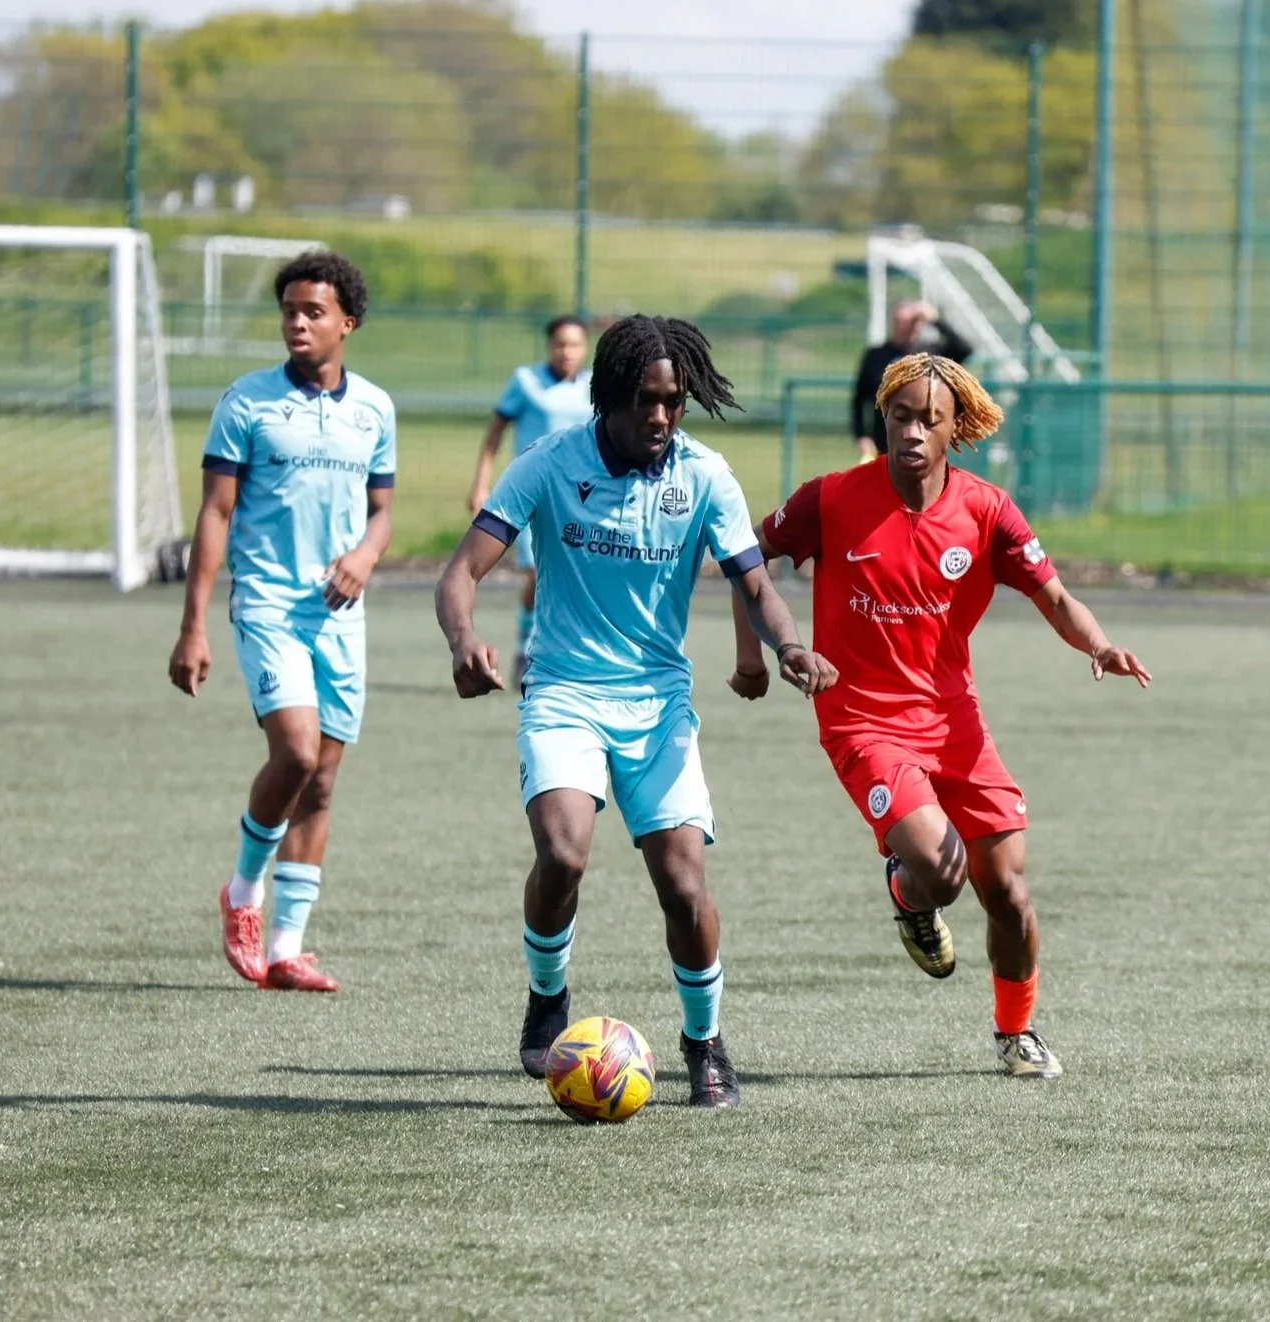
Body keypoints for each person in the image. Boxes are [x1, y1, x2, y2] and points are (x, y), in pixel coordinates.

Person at [436, 314, 837, 1108]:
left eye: (674, 402)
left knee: (685, 886)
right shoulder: (549, 465)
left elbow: (753, 582)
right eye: (645, 401)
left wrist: (788, 646)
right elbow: (460, 573)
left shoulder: (706, 476)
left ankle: (706, 1042)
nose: (660, 417)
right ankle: (548, 994)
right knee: (563, 853)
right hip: (564, 695)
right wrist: (463, 641)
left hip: (658, 705)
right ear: (609, 397)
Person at [731, 353, 1150, 1079]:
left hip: (956, 723)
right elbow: (745, 560)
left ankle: (1015, 1035)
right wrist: (757, 656)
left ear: (958, 428)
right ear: (883, 418)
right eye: (901, 416)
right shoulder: (829, 499)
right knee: (939, 869)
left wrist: (1100, 643)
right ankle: (908, 890)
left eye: (931, 419)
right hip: (861, 721)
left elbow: (1053, 596)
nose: (914, 432)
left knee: (1010, 894)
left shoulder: (987, 510)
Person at [168, 251, 396, 994]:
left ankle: (288, 949)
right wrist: (193, 625)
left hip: (340, 614)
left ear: (347, 324)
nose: (297, 322)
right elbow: (215, 512)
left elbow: (383, 512)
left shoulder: (376, 410)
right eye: (289, 310)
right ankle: (242, 894)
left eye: (314, 311)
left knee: (324, 783)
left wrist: (364, 554)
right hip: (267, 602)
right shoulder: (247, 403)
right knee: (295, 754)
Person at [467, 315, 594, 681]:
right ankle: (526, 649)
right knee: (539, 574)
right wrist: (481, 485)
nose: (566, 351)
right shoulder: (526, 382)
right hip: (533, 495)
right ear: (549, 346)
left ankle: (563, 652)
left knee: (572, 577)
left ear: (584, 349)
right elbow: (494, 433)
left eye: (574, 344)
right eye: (560, 344)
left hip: (582, 499)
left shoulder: (593, 386)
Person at [850, 299, 969, 464]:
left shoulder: (931, 353)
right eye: (901, 321)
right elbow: (859, 398)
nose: (905, 326)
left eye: (911, 321)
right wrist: (862, 435)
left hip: (924, 439)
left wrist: (936, 321)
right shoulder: (876, 354)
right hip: (884, 440)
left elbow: (964, 349)